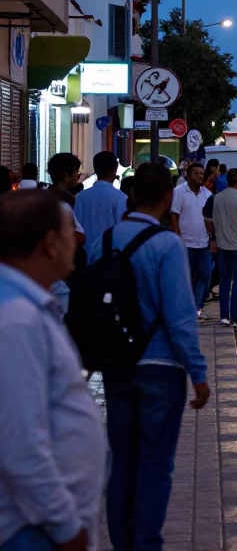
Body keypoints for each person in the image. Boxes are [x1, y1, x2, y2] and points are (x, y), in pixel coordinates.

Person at [87, 164, 210, 551]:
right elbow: (179, 316)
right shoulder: (166, 245)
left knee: (122, 462)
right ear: (167, 198)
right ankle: (147, 544)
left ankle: (123, 544)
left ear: (133, 195)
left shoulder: (103, 242)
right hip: (161, 369)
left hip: (116, 367)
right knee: (155, 465)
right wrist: (198, 372)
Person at [0, 190, 107, 551]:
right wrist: (65, 527)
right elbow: (19, 446)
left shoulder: (27, 305)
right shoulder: (16, 320)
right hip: (32, 530)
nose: (77, 241)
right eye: (69, 233)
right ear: (50, 244)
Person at [211, 169, 237, 330]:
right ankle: (234, 316)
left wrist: (217, 238)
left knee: (224, 281)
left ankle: (224, 316)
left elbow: (215, 221)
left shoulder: (218, 198)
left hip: (223, 245)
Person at [171, 162, 214, 318]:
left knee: (205, 276)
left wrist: (213, 239)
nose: (200, 176)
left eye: (202, 173)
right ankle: (186, 308)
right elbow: (174, 216)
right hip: (185, 244)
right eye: (196, 173)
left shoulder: (208, 195)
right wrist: (177, 237)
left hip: (203, 243)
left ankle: (196, 307)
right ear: (188, 175)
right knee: (187, 278)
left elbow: (211, 219)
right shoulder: (179, 192)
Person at [74, 151, 129, 247]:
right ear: (115, 168)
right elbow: (122, 230)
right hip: (109, 254)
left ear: (95, 168)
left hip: (85, 254)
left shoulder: (80, 197)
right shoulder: (120, 198)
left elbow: (76, 228)